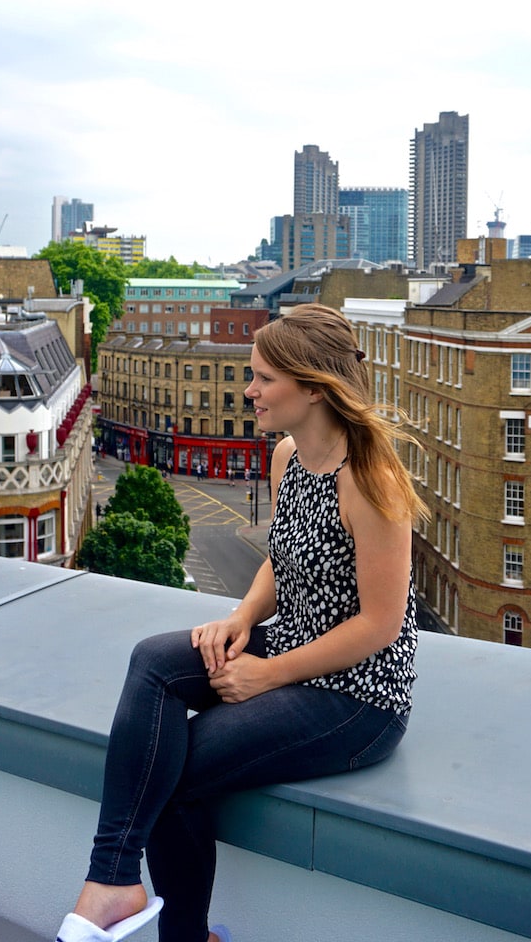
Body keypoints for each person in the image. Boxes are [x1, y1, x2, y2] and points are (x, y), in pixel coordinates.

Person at [54, 303, 426, 942]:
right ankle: (111, 879)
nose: (247, 390)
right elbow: (283, 560)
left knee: (180, 771)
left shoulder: (372, 481)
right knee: (154, 660)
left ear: (312, 387)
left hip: (358, 696)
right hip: (288, 642)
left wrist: (264, 675)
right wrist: (241, 619)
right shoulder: (287, 456)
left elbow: (381, 625)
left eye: (262, 379)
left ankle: (185, 937)